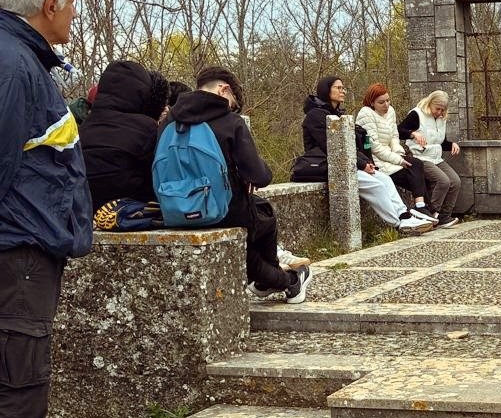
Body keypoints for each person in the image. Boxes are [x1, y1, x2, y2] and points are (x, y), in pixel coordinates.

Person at [0, 0, 93, 418]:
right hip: (15, 260)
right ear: (50, 3)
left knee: (17, 395)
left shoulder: (21, 62)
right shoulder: (11, 68)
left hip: (26, 256)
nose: (76, 13)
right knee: (15, 397)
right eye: (74, 0)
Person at [169, 68, 310, 303]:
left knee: (251, 235)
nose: (232, 108)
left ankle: (273, 280)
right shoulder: (230, 122)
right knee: (263, 213)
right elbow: (260, 176)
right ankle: (286, 281)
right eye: (233, 102)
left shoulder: (169, 122)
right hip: (222, 210)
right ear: (223, 89)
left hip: (175, 209)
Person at [296, 75, 427, 233]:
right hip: (327, 166)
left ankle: (404, 215)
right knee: (375, 185)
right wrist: (362, 164)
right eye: (338, 88)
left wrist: (366, 162)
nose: (342, 91)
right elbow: (330, 147)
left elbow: (351, 146)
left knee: (384, 179)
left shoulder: (337, 114)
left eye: (343, 88)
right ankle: (398, 223)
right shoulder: (315, 116)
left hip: (346, 163)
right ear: (326, 90)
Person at [80, 59, 170, 213]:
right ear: (141, 92)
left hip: (87, 208)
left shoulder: (84, 126)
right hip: (130, 209)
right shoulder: (146, 127)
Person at [355, 85, 435, 225]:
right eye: (381, 102)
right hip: (377, 160)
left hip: (391, 155)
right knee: (415, 169)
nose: (386, 105)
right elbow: (373, 146)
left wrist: (398, 153)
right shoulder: (365, 114)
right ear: (371, 102)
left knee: (418, 169)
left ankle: (427, 211)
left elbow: (394, 136)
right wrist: (398, 160)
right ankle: (423, 209)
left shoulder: (390, 111)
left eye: (388, 100)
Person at [399, 90, 462, 227]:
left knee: (455, 181)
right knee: (443, 181)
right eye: (437, 109)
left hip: (436, 158)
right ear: (430, 103)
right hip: (419, 157)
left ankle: (445, 216)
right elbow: (399, 131)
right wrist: (412, 134)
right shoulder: (416, 114)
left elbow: (440, 141)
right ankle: (429, 213)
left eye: (442, 110)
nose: (439, 112)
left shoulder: (440, 118)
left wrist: (452, 144)